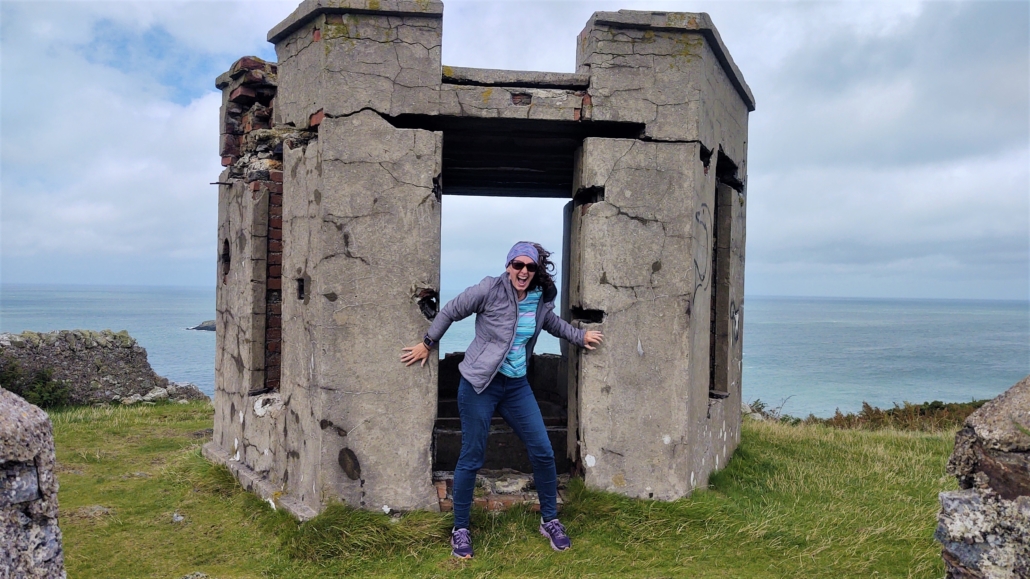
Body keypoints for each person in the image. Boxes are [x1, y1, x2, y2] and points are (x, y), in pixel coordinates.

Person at [402, 241, 604, 559]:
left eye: (530, 267)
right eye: (518, 265)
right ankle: (461, 529)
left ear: (536, 270)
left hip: (516, 387)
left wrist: (580, 336)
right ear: (508, 265)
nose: (523, 272)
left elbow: (551, 324)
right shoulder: (489, 289)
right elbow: (452, 309)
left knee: (543, 451)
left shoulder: (538, 300)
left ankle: (550, 520)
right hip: (479, 386)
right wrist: (427, 343)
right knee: (472, 455)